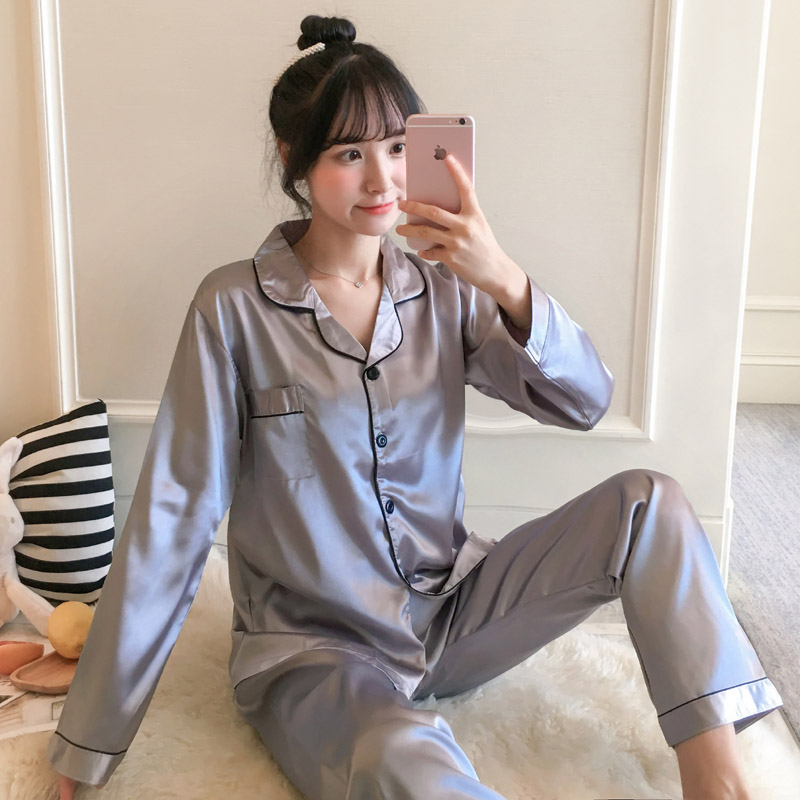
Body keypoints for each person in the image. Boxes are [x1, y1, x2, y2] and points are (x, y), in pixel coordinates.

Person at [51, 13, 783, 800]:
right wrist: (87, 746)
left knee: (650, 503)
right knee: (403, 757)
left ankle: (720, 781)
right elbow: (174, 517)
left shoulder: (445, 293)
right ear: (293, 159)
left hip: (451, 613)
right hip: (313, 653)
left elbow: (585, 402)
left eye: (398, 147)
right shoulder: (233, 308)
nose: (382, 181)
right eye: (349, 154)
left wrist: (502, 278)